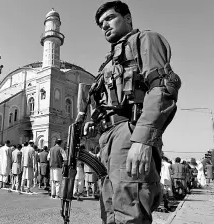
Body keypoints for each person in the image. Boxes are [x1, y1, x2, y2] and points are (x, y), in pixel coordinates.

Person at [75, 1, 181, 223]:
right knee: (110, 209)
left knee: (129, 211)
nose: (105, 25)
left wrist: (142, 140)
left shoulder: (145, 40)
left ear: (128, 18)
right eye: (101, 23)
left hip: (130, 134)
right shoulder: (108, 62)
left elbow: (162, 88)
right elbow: (109, 102)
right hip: (108, 139)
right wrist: (94, 120)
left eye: (110, 18)